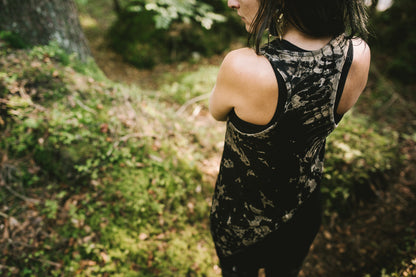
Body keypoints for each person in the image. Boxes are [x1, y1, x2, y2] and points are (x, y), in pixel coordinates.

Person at [208, 0, 371, 276]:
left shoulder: (243, 67)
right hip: (303, 210)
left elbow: (216, 112)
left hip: (241, 222)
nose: (231, 2)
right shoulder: (357, 53)